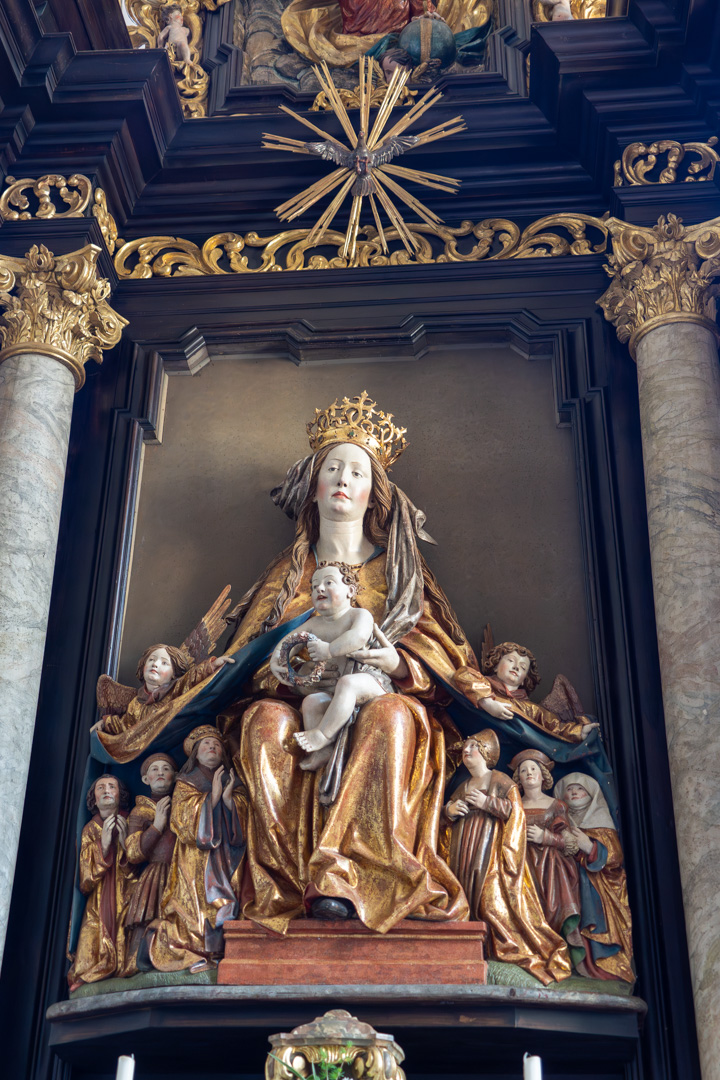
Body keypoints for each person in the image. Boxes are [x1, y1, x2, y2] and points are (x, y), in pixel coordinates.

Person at [222, 392, 473, 933]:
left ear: (374, 493)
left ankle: (346, 877)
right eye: (332, 468)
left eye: (357, 472)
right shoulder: (289, 574)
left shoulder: (401, 573)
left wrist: (400, 664)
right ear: (313, 484)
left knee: (391, 716)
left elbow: (447, 664)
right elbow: (246, 661)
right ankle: (286, 884)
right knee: (263, 722)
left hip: (381, 696)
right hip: (301, 699)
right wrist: (290, 674)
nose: (343, 479)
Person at [444, 729, 571, 985]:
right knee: (468, 903)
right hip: (465, 853)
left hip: (492, 854)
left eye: (472, 747)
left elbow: (517, 815)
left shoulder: (501, 781)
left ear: (486, 752)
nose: (466, 751)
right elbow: (446, 818)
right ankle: (479, 953)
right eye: (465, 748)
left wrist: (487, 803)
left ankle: (509, 949)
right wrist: (450, 809)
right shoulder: (462, 786)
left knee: (491, 905)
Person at [271, 562, 391, 772]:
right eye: (314, 586)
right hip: (335, 692)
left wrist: (329, 650)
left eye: (329, 583)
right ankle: (323, 751)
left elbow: (358, 637)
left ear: (350, 591)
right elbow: (289, 642)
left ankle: (322, 735)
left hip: (369, 680)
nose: (320, 588)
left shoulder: (358, 615)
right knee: (312, 702)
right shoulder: (314, 624)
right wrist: (276, 662)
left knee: (348, 683)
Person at [150, 727, 246, 973]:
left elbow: (247, 818)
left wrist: (228, 800)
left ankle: (219, 951)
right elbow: (180, 819)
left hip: (225, 857)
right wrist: (211, 799)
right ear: (195, 753)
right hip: (194, 858)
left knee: (224, 901)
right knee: (194, 903)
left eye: (216, 744)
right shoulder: (186, 781)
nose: (212, 747)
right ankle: (194, 950)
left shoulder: (233, 780)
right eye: (206, 744)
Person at [554, 773, 634, 983]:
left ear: (591, 794)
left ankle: (601, 967)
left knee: (594, 926)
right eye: (569, 789)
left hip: (599, 890)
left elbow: (615, 857)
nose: (574, 792)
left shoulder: (602, 823)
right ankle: (574, 965)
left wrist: (589, 846)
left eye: (580, 788)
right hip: (568, 885)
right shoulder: (559, 822)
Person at [509, 749, 584, 964]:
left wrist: (546, 837)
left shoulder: (556, 806)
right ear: (519, 778)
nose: (529, 773)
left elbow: (570, 845)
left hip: (551, 868)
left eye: (533, 769)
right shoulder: (514, 806)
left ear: (543, 775)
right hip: (522, 865)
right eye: (524, 770)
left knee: (551, 907)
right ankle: (531, 953)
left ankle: (555, 951)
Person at [453, 641, 598, 743]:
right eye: (511, 661)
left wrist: (579, 732)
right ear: (496, 666)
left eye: (522, 667)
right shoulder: (482, 683)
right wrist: (487, 703)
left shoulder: (531, 708)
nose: (516, 667)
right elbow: (463, 674)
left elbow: (555, 727)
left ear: (524, 680)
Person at [68, 775, 136, 990]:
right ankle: (87, 972)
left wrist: (125, 843)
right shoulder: (90, 829)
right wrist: (103, 846)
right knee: (92, 931)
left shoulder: (131, 821)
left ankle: (125, 968)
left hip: (126, 889)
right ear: (94, 799)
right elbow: (84, 877)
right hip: (99, 895)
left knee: (126, 926)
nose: (106, 790)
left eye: (111, 787)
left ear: (120, 794)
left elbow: (138, 862)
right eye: (100, 788)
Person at [123, 752, 178, 974]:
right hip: (154, 875)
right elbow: (133, 853)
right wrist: (157, 826)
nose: (160, 773)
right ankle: (136, 964)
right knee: (146, 918)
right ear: (146, 779)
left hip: (180, 873)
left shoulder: (182, 805)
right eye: (155, 769)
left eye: (166, 769)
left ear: (175, 776)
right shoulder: (140, 811)